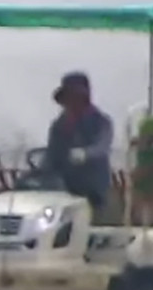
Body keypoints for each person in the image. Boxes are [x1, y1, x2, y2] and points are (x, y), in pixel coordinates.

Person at [36, 71, 114, 211]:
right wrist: (41, 171)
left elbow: (103, 146)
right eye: (68, 98)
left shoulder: (101, 121)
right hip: (63, 189)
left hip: (93, 190)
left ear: (84, 98)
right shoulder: (58, 125)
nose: (71, 102)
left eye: (75, 97)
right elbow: (52, 153)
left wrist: (85, 153)